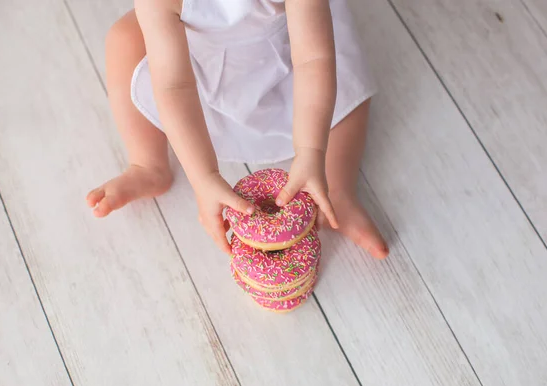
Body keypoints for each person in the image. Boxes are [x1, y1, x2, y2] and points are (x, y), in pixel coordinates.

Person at [86, 0, 389, 259]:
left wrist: (311, 150)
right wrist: (204, 177)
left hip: (289, 57)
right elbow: (173, 86)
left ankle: (338, 189)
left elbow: (313, 59)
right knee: (123, 40)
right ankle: (148, 164)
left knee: (345, 90)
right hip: (195, 63)